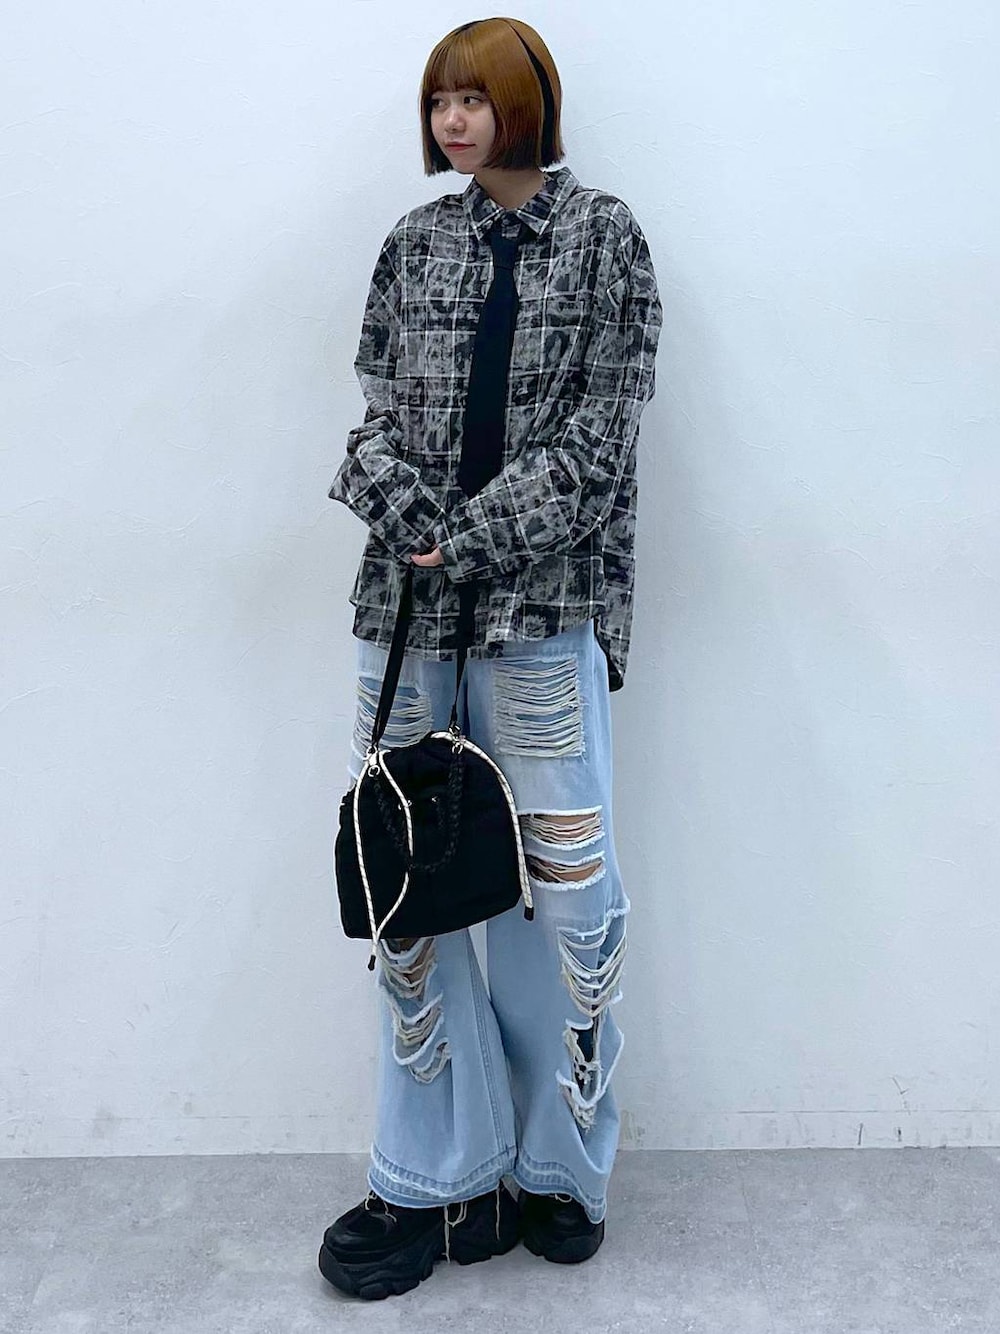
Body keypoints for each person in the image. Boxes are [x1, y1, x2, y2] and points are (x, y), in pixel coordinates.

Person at [318, 16, 662, 1301]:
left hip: (541, 614)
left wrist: (457, 538)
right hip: (403, 620)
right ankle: (432, 1177)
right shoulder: (414, 243)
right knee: (408, 899)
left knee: (561, 905)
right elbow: (368, 425)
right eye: (438, 101)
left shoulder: (607, 237)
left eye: (474, 97)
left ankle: (556, 1169)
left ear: (528, 102)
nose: (453, 120)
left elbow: (599, 445)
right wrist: (412, 519)